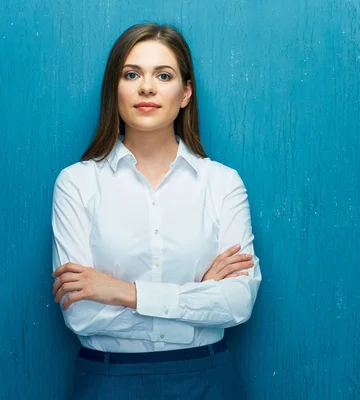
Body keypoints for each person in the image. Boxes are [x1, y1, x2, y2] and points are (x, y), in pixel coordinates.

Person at [50, 23, 261, 399]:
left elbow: (237, 302)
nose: (147, 87)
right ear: (114, 89)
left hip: (208, 379)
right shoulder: (77, 183)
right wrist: (196, 298)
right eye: (132, 74)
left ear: (185, 93)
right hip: (107, 381)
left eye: (163, 75)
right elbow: (81, 313)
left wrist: (123, 292)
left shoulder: (222, 183)